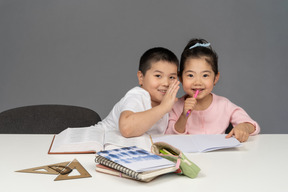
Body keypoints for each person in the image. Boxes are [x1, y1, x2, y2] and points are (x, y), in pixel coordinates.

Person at [166, 38, 260, 142]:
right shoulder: (175, 107)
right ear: (180, 77)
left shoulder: (224, 105)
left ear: (215, 78)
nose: (198, 82)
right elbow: (169, 137)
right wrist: (184, 116)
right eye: (190, 75)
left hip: (218, 157)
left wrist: (244, 127)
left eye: (205, 75)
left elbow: (252, 125)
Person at [101, 47, 180, 138]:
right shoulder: (137, 95)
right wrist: (164, 108)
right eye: (158, 76)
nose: (166, 83)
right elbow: (126, 129)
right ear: (141, 77)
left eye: (172, 77)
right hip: (97, 141)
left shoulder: (167, 103)